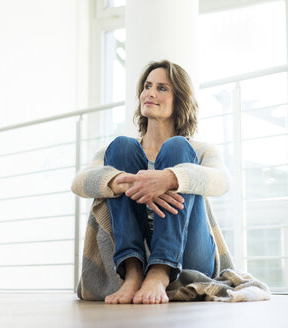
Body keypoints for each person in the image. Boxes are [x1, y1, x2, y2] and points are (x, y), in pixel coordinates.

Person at [71, 60, 230, 304]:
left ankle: (160, 271)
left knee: (178, 147)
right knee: (122, 145)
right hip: (137, 251)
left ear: (180, 99)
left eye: (162, 88)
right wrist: (116, 181)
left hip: (190, 254)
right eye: (147, 86)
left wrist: (172, 178)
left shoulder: (199, 150)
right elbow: (79, 183)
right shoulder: (116, 152)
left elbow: (222, 181)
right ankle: (133, 272)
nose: (150, 93)